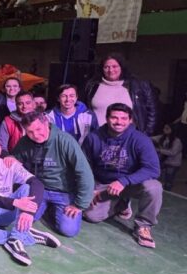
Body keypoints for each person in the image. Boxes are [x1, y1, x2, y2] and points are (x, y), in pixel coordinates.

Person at [0, 136, 60, 266]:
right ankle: (24, 235)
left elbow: (37, 184)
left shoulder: (9, 164)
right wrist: (15, 203)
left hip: (7, 211)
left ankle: (16, 238)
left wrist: (28, 213)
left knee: (27, 187)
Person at [82, 104, 162, 248]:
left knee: (154, 187)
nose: (119, 122)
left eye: (124, 118)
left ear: (130, 120)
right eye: (114, 117)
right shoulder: (93, 137)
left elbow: (153, 169)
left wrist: (124, 181)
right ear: (107, 118)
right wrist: (90, 189)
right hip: (103, 185)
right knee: (91, 216)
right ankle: (120, 204)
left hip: (130, 184)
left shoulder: (140, 139)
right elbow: (84, 167)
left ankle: (143, 226)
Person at [11, 111, 94, 237]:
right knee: (17, 219)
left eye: (38, 129)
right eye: (30, 132)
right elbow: (15, 160)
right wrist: (10, 159)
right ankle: (44, 208)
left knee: (69, 230)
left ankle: (51, 209)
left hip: (64, 191)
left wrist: (80, 204)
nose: (36, 135)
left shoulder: (65, 140)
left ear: (46, 122)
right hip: (39, 189)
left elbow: (84, 173)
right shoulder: (25, 142)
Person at [85, 53, 157, 135]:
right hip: (98, 136)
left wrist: (145, 135)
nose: (111, 70)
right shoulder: (93, 86)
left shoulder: (136, 85)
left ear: (121, 67)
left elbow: (152, 113)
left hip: (127, 138)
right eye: (106, 67)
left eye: (114, 66)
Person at [152, 124, 182, 190]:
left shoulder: (177, 141)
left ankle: (168, 190)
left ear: (172, 130)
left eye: (167, 128)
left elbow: (172, 152)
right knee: (160, 178)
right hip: (165, 162)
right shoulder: (162, 137)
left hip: (173, 163)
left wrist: (159, 150)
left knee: (168, 180)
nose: (164, 130)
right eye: (164, 128)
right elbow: (152, 138)